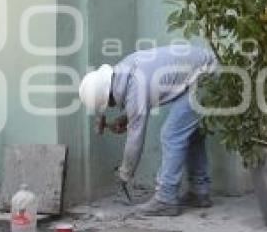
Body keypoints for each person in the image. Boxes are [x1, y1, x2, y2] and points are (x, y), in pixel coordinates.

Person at [79, 43, 217, 216]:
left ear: (109, 96)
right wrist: (127, 118)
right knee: (190, 134)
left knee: (171, 135)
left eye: (109, 104)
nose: (112, 107)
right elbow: (141, 101)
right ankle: (199, 191)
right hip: (204, 71)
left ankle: (166, 198)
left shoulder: (134, 84)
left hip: (206, 76)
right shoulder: (125, 69)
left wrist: (125, 173)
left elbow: (135, 137)